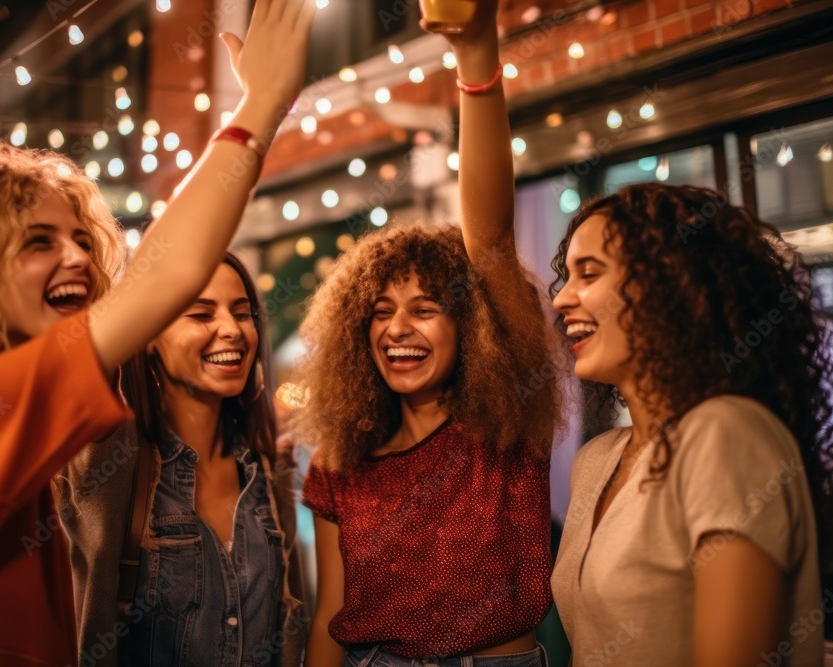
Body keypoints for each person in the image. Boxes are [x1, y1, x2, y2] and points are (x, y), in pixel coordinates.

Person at [0, 1, 315, 664]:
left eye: (83, 239)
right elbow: (162, 278)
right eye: (39, 241)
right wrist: (259, 108)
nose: (81, 260)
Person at [298, 2, 562, 665]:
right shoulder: (341, 459)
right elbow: (331, 616)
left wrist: (475, 57)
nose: (396, 328)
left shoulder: (507, 420)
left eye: (423, 307)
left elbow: (492, 240)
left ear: (469, 322)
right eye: (380, 311)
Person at [549, 182, 833, 666]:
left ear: (670, 284)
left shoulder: (725, 433)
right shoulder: (596, 460)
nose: (561, 300)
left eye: (589, 274)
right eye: (567, 277)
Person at [57, 253, 305, 667]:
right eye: (201, 314)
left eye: (242, 313)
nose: (232, 330)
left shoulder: (266, 471)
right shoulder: (113, 463)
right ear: (148, 332)